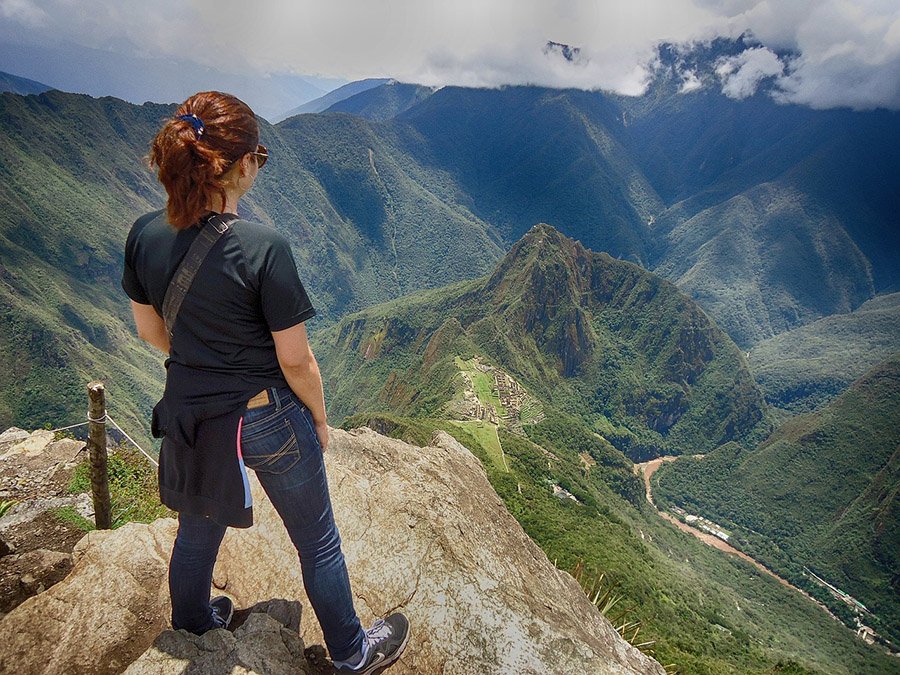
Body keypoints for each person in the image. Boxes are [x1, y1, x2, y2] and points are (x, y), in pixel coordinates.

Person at [121, 90, 409, 674]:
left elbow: (149, 329)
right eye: (260, 155)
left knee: (196, 529)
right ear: (241, 164)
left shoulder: (143, 234)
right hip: (265, 414)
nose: (260, 164)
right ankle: (352, 654)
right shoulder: (262, 248)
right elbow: (297, 362)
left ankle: (196, 622)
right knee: (318, 541)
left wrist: (207, 360)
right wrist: (321, 421)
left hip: (194, 412)